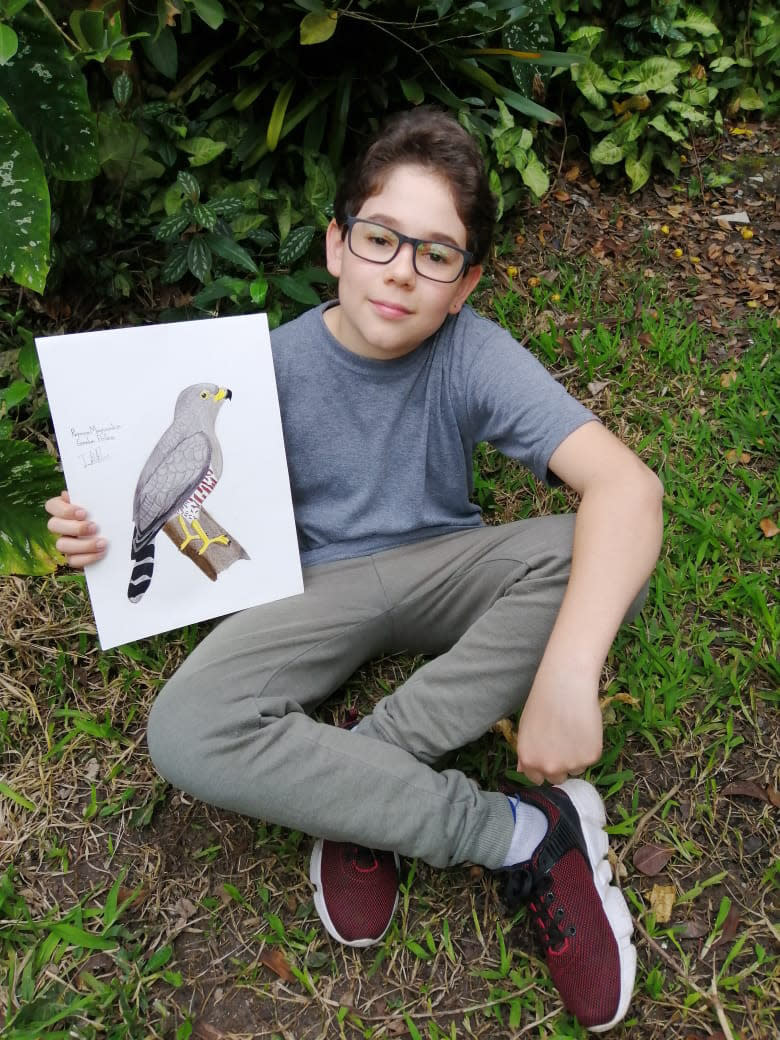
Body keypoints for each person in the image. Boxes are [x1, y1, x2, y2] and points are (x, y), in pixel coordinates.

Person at [46, 106, 663, 1032]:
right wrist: (100, 528)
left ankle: (363, 776)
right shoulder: (257, 369)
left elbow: (628, 487)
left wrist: (570, 674)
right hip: (310, 590)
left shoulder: (473, 352)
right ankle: (520, 834)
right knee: (184, 728)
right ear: (337, 245)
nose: (402, 271)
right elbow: (199, 510)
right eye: (380, 237)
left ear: (465, 284)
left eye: (436, 254)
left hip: (445, 564)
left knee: (603, 552)